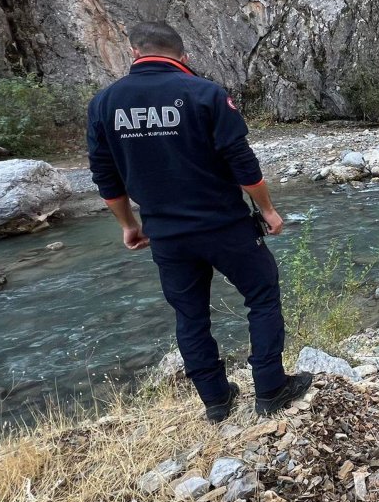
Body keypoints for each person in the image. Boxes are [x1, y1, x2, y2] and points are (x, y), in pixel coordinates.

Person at [87, 21, 311, 422]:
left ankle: (216, 400)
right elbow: (243, 164)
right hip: (225, 226)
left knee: (190, 315)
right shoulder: (205, 93)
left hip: (166, 235)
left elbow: (106, 179)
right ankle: (271, 388)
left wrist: (128, 224)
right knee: (261, 297)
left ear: (134, 54)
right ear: (182, 56)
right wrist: (268, 210)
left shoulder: (104, 104)